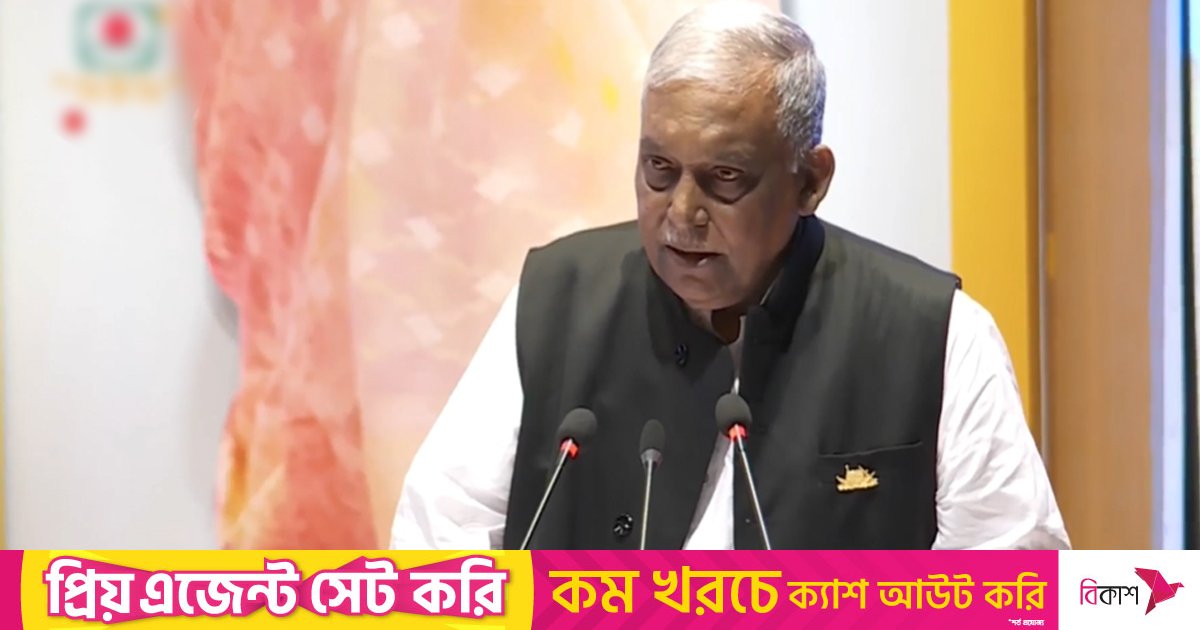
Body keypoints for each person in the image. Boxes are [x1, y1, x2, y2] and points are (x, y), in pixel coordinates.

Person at [390, 2, 1069, 550]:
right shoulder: (555, 301)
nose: (681, 213)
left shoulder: (936, 335)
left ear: (810, 181)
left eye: (724, 177)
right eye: (659, 170)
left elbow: (1010, 581)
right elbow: (438, 541)